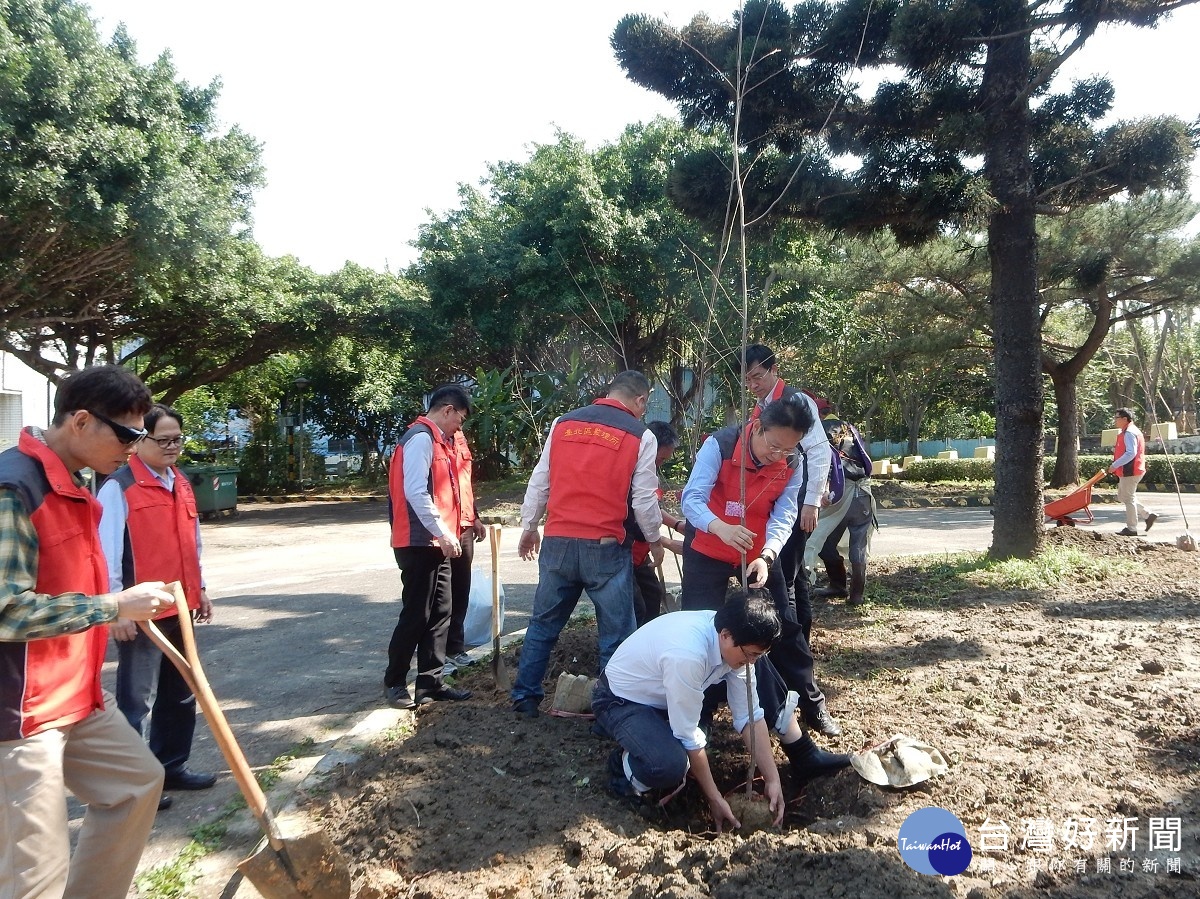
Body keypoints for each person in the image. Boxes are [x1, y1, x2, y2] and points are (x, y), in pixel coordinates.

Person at [0, 364, 175, 899]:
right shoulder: (14, 487)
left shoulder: (76, 480)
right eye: (127, 434)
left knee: (136, 784)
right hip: (23, 711)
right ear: (80, 421)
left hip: (75, 696)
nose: (135, 446)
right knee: (35, 872)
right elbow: (7, 610)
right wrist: (112, 605)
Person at [591, 591, 850, 831]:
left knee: (691, 749)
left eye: (758, 656)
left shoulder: (735, 646)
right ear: (726, 635)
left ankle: (648, 741)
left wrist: (772, 779)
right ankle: (625, 773)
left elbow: (749, 715)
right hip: (620, 700)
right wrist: (714, 799)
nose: (752, 662)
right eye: (749, 654)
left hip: (661, 698)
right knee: (670, 764)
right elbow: (688, 735)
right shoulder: (688, 655)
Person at [678, 396, 842, 738]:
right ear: (757, 427)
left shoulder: (793, 462)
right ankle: (703, 710)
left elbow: (784, 513)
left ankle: (810, 704)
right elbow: (692, 497)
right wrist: (720, 527)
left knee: (782, 623)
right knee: (704, 626)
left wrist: (767, 555)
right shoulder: (720, 445)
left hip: (757, 553)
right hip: (709, 544)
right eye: (773, 445)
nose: (778, 455)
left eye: (788, 448)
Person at [511, 371, 665, 718]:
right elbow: (643, 500)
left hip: (559, 543)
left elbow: (541, 479)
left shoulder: (563, 424)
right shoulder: (641, 436)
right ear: (641, 399)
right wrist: (654, 540)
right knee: (616, 636)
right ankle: (611, 712)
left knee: (542, 626)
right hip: (605, 548)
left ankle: (525, 698)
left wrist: (530, 525)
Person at [98, 403, 218, 813]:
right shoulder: (119, 487)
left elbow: (193, 542)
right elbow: (106, 552)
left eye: (177, 440)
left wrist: (199, 588)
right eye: (162, 440)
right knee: (137, 700)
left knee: (181, 692)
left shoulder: (180, 482)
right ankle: (135, 785)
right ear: (139, 441)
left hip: (179, 607)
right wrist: (117, 610)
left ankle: (171, 767)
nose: (172, 448)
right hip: (142, 611)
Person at [384, 385, 475, 709]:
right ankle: (395, 682)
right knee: (416, 614)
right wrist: (443, 533)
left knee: (441, 612)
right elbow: (416, 493)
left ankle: (430, 683)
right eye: (459, 420)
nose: (459, 428)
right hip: (418, 541)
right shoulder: (421, 439)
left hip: (438, 542)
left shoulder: (441, 442)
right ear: (447, 410)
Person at [807, 415, 876, 606]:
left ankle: (838, 584)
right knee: (859, 546)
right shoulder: (851, 429)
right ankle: (856, 595)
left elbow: (823, 462)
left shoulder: (821, 430)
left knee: (822, 541)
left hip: (840, 494)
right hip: (863, 494)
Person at [631, 420, 683, 627]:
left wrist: (677, 525)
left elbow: (652, 508)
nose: (660, 464)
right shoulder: (631, 473)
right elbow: (636, 515)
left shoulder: (650, 473)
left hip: (641, 555)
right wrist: (665, 543)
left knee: (652, 597)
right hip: (624, 553)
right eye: (660, 458)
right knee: (636, 607)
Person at [443, 427, 486, 672]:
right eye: (460, 415)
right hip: (443, 528)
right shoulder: (429, 441)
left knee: (461, 590)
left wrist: (476, 517)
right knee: (442, 596)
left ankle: (455, 649)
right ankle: (436, 656)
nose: (461, 422)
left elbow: (463, 482)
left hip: (465, 524)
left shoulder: (458, 439)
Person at [1110, 408, 1157, 536]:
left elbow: (1131, 453)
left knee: (1128, 498)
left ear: (1125, 419)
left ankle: (1132, 528)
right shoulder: (1130, 431)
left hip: (1131, 470)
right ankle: (1147, 515)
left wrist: (1115, 464)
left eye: (1117, 418)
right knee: (1123, 496)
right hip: (1132, 470)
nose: (1115, 420)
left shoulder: (1129, 432)